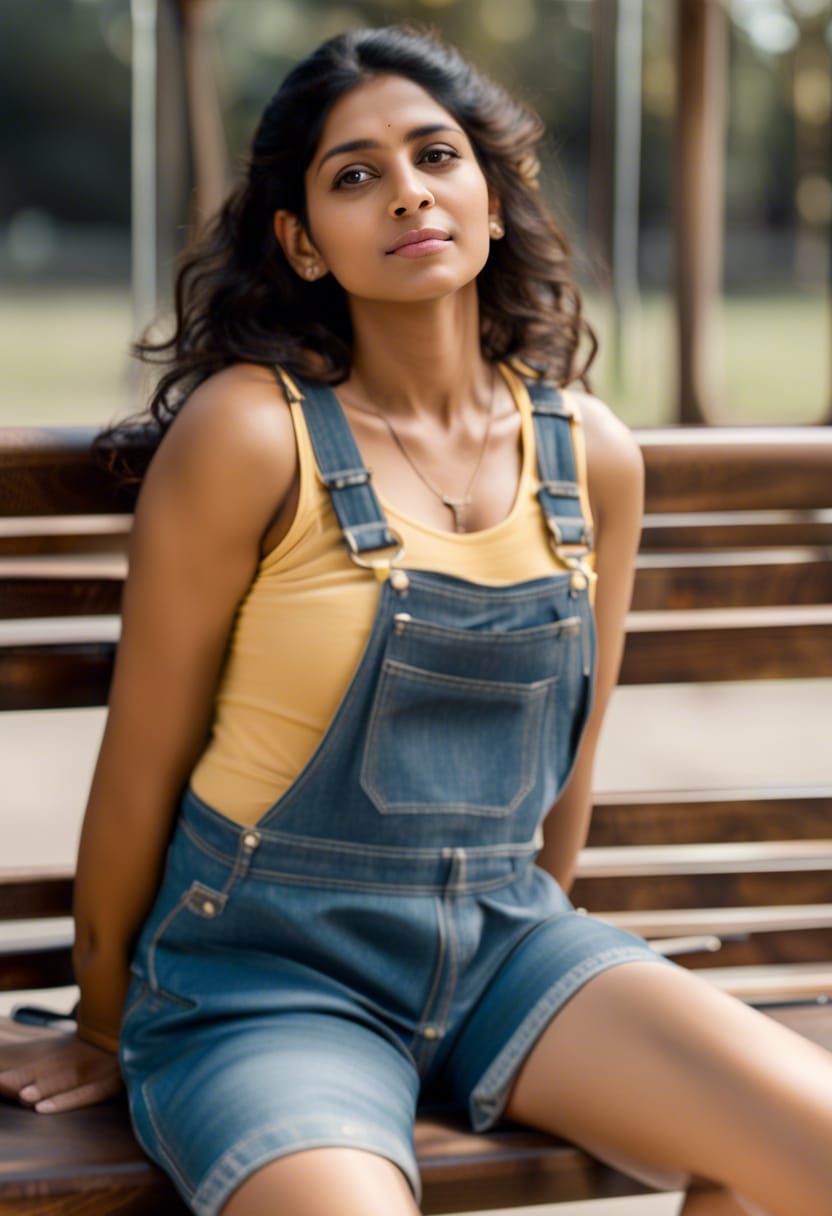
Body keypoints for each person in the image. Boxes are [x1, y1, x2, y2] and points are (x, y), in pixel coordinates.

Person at [1, 23, 831, 1216]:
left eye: (435, 156)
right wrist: (99, 1021)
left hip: (508, 948)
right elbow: (138, 774)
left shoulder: (590, 454)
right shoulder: (249, 436)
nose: (405, 192)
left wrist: (563, 989)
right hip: (266, 984)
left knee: (802, 1153)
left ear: (489, 201)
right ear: (300, 242)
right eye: (354, 175)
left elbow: (566, 770)